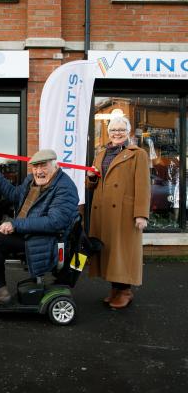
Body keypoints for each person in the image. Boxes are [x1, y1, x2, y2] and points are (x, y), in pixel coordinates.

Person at [0, 149, 79, 305]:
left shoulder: (65, 187)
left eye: (43, 166)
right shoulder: (31, 181)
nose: (39, 171)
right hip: (28, 233)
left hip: (46, 240)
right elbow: (13, 194)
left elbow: (55, 222)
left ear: (56, 166)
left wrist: (15, 224)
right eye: (35, 167)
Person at [86, 116, 150, 309]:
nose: (117, 133)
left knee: (122, 252)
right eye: (114, 129)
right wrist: (91, 178)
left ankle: (125, 291)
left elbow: (143, 186)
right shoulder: (101, 153)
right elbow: (93, 184)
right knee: (110, 251)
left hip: (124, 212)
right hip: (103, 211)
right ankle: (114, 289)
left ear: (128, 131)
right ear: (109, 132)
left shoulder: (137, 154)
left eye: (121, 129)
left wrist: (141, 214)